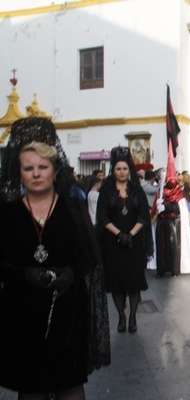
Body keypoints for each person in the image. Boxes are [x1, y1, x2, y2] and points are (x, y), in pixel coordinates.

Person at [0, 117, 110, 399]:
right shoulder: (8, 213)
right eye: (29, 168)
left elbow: (88, 256)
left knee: (69, 386)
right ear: (19, 172)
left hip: (67, 311)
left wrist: (71, 273)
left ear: (54, 170)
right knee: (31, 389)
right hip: (23, 313)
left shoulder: (72, 209)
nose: (36, 174)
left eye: (43, 167)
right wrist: (24, 273)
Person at [97, 147, 151, 334]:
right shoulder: (106, 191)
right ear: (113, 170)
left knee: (134, 282)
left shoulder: (137, 190)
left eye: (125, 169)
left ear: (130, 170)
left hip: (134, 245)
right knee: (117, 284)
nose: (121, 172)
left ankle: (133, 316)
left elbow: (143, 216)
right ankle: (121, 315)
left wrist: (131, 234)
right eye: (118, 169)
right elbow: (102, 217)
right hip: (113, 244)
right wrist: (119, 234)